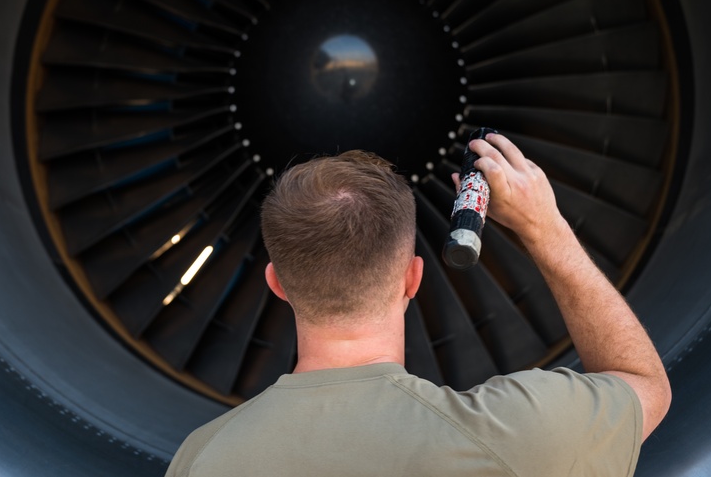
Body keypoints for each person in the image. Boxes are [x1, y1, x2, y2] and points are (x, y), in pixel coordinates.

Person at [165, 133, 671, 476]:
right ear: (413, 278)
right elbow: (645, 385)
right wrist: (546, 231)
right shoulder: (517, 435)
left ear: (277, 283)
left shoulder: (200, 458)